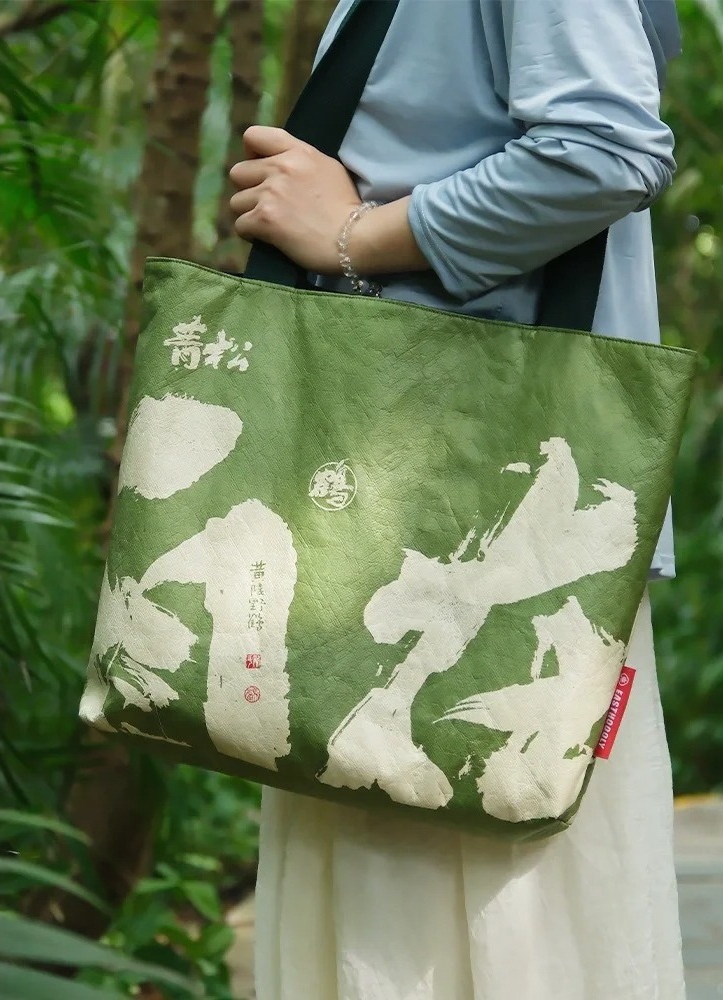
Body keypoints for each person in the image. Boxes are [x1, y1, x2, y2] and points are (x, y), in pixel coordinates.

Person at [229, 1, 686, 997]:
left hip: (478, 542)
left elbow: (604, 149)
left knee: (478, 920)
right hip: (410, 523)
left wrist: (352, 233)